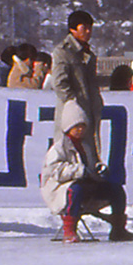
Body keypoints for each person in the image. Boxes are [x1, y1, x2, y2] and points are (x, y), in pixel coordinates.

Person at [40, 99, 133, 242]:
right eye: (76, 127)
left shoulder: (86, 146)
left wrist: (97, 170)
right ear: (68, 127)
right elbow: (56, 172)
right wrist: (79, 171)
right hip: (62, 188)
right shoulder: (58, 148)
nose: (80, 130)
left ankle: (118, 229)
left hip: (87, 185)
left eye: (82, 126)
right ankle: (70, 230)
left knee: (116, 190)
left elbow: (90, 167)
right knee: (75, 190)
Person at [45, 10, 103, 160]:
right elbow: (59, 82)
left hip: (89, 110)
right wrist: (73, 104)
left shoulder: (88, 53)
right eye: (84, 28)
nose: (88, 31)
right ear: (73, 29)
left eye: (90, 27)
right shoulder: (62, 52)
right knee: (68, 153)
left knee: (89, 153)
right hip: (72, 115)